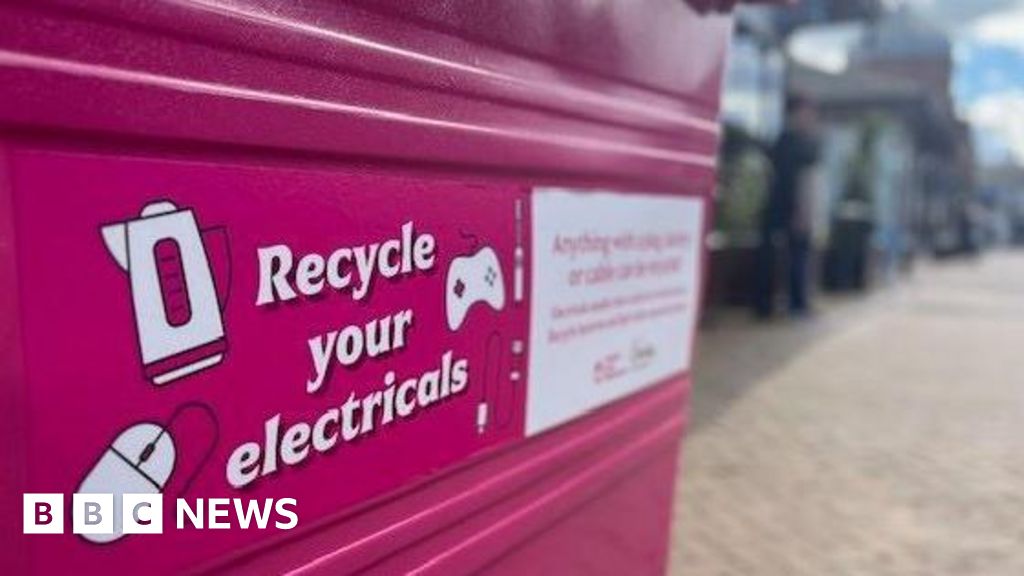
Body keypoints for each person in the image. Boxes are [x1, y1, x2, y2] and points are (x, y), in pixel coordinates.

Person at [754, 94, 821, 318]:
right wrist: (801, 211)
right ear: (794, 114)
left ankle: (796, 303)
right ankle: (769, 304)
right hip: (782, 206)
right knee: (775, 255)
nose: (810, 118)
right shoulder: (789, 143)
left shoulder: (802, 143)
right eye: (806, 113)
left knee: (798, 255)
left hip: (792, 207)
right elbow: (791, 180)